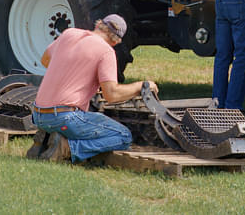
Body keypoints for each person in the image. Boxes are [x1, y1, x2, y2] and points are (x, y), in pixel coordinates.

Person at [29, 14, 158, 163]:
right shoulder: (106, 51)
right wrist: (141, 85)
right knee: (123, 136)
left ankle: (45, 139)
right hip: (64, 117)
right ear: (116, 42)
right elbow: (112, 95)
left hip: (38, 115)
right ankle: (66, 148)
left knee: (67, 119)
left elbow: (45, 60)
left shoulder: (69, 34)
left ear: (98, 26)